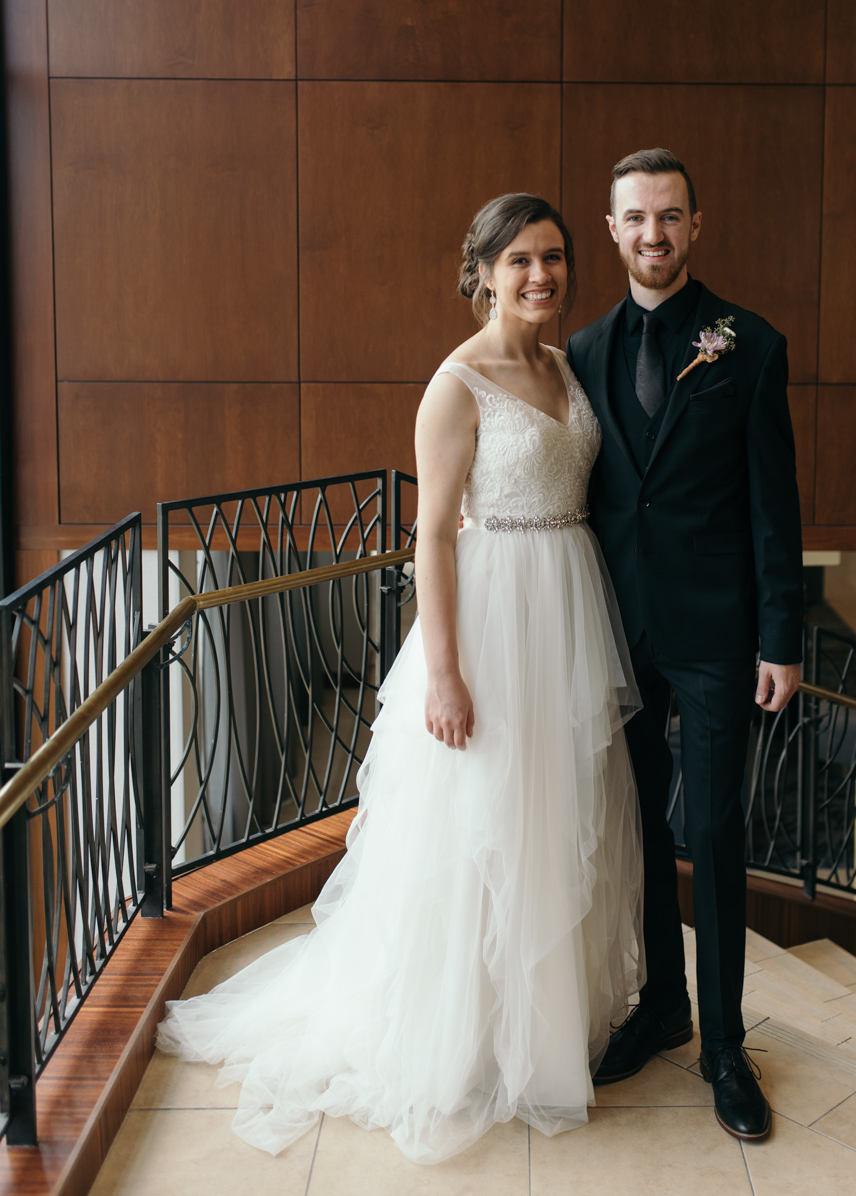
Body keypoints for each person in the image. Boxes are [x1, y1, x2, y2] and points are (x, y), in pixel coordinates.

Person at [156, 193, 644, 1166]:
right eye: (521, 263)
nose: (542, 276)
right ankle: (459, 1038)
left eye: (554, 258)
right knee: (480, 828)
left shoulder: (563, 363)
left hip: (567, 610)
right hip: (493, 622)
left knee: (550, 817)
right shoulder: (456, 384)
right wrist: (446, 673)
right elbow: (430, 536)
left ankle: (540, 1026)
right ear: (483, 275)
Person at [567, 147, 804, 1143]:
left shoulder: (747, 345)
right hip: (613, 631)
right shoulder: (577, 353)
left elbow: (772, 503)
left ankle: (721, 1043)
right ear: (614, 229)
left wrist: (781, 637)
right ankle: (661, 1002)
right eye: (635, 217)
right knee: (636, 836)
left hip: (717, 635)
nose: (653, 233)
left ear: (695, 226)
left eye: (670, 215)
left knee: (710, 832)